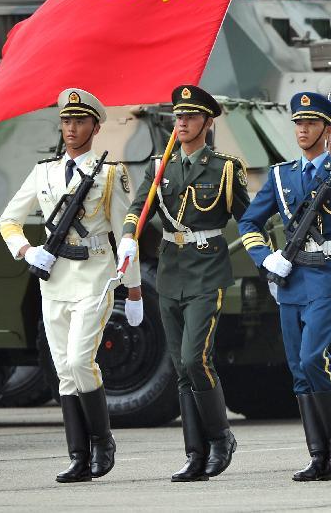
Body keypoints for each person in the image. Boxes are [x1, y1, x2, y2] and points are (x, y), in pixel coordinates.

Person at [0, 88, 142, 483]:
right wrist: (27, 251)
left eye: (79, 121)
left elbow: (124, 238)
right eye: (66, 121)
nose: (71, 128)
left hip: (95, 275)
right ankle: (79, 456)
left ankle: (103, 440)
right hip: (54, 279)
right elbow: (7, 220)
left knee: (81, 361)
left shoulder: (111, 174)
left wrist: (133, 290)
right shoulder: (43, 172)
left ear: (96, 127)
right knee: (64, 370)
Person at [237, 91, 331, 481]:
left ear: (326, 129)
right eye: (298, 122)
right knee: (298, 368)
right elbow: (249, 223)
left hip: (328, 278)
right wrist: (266, 257)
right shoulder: (281, 175)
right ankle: (320, 455)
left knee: (316, 358)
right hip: (292, 280)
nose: (303, 129)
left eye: (311, 123)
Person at [121, 85, 250, 481]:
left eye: (191, 116)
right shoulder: (161, 165)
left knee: (196, 358)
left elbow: (247, 218)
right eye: (179, 115)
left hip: (207, 271)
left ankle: (221, 437)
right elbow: (137, 208)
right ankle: (195, 453)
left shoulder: (224, 168)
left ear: (207, 122)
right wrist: (129, 235)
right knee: (180, 367)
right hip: (171, 270)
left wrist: (266, 257)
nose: (183, 121)